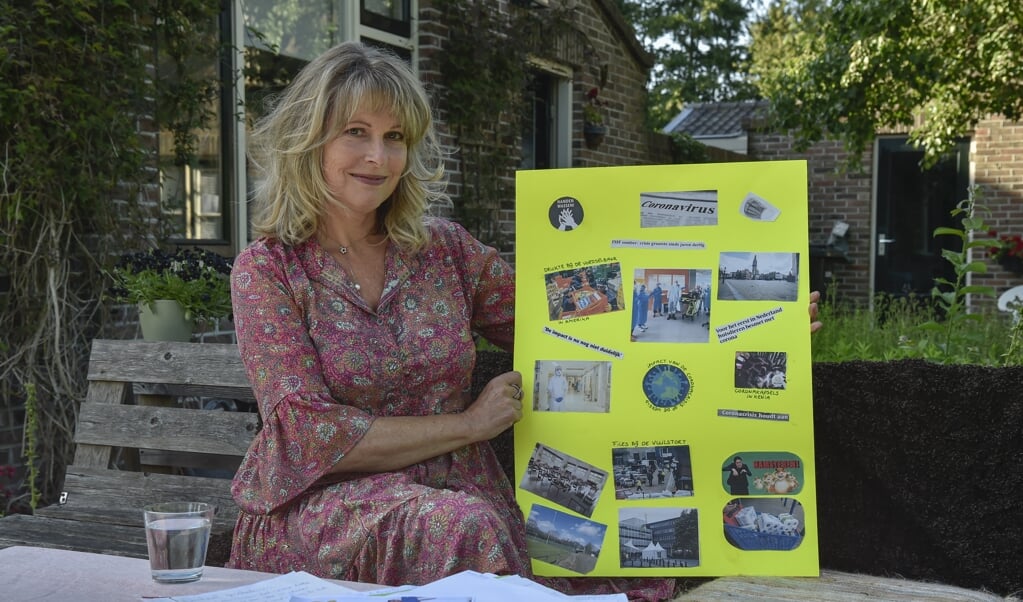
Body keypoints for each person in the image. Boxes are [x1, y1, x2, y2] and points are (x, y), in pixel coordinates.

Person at [227, 41, 673, 601]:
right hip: (326, 509)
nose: (379, 157)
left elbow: (574, 322)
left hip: (458, 492)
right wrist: (471, 424)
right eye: (356, 132)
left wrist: (750, 328)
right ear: (309, 139)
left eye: (395, 138)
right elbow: (306, 433)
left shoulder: (446, 251)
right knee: (458, 527)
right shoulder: (268, 270)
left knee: (640, 560)